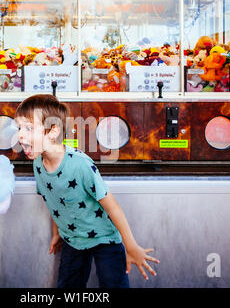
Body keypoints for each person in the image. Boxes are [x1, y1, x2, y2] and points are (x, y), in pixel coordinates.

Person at [15, 94, 159, 288]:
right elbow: (55, 200)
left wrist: (131, 246)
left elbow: (112, 206)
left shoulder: (79, 164)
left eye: (29, 128)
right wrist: (57, 232)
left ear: (53, 131)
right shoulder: (38, 164)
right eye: (19, 128)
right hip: (72, 240)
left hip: (104, 239)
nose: (20, 135)